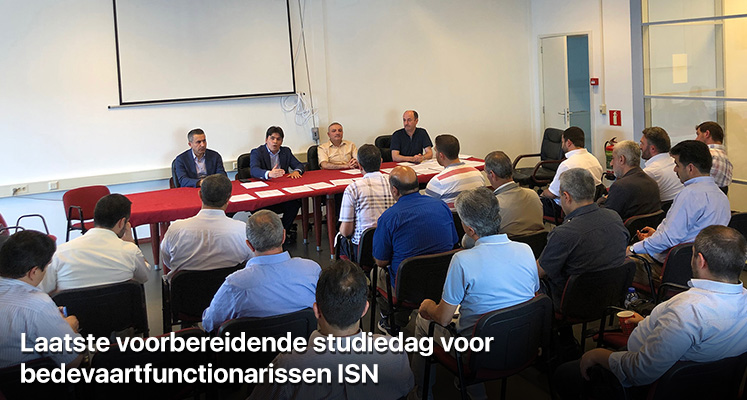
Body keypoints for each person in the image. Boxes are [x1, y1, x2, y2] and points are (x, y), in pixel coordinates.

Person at [555, 225, 747, 399]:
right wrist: (650, 322)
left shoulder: (686, 310)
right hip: (707, 387)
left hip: (652, 385)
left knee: (565, 374)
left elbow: (640, 371)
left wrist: (597, 355)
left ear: (701, 261)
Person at [411, 187, 540, 400]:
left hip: (477, 351)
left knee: (422, 319)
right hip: (522, 342)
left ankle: (421, 392)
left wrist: (427, 307)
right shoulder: (525, 249)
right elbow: (531, 294)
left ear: (470, 230)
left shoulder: (462, 260)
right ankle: (473, 389)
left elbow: (443, 319)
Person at [248, 260, 414, 400]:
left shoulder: (287, 367)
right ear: (365, 309)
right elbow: (405, 389)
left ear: (316, 311)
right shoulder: (394, 350)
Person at [627, 140, 731, 285]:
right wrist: (657, 234)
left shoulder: (689, 194)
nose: (675, 169)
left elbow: (669, 239)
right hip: (703, 270)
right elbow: (690, 233)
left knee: (620, 264)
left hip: (669, 267)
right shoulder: (722, 197)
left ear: (690, 168)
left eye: (677, 164)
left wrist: (632, 249)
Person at [201, 210, 320, 333]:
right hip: (301, 344)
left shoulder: (235, 285)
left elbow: (209, 323)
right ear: (283, 236)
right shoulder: (312, 271)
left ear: (249, 245)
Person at [373, 166, 458, 331]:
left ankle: (394, 321)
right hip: (443, 283)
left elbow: (381, 261)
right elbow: (454, 242)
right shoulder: (441, 206)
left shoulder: (389, 218)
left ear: (394, 190)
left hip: (406, 290)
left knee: (374, 274)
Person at [537, 168, 629, 306]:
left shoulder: (563, 234)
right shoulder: (614, 218)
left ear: (566, 197)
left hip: (572, 303)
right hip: (610, 298)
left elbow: (539, 272)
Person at [0, 231, 82, 368]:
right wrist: (70, 329)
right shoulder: (38, 305)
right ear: (34, 272)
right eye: (47, 266)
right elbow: (72, 362)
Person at [39, 194, 150, 293]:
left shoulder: (60, 253)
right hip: (120, 310)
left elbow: (44, 289)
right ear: (122, 223)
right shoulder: (130, 251)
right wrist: (131, 243)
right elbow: (143, 277)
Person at [160, 174, 253, 281]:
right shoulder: (242, 230)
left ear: (200, 195)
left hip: (185, 289)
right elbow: (250, 260)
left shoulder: (176, 229)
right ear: (228, 198)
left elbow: (167, 260)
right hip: (229, 288)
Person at [463, 151, 544, 249]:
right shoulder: (534, 195)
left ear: (492, 174)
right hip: (536, 250)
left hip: (503, 253)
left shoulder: (492, 206)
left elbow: (470, 241)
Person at [338, 145, 395, 260]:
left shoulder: (353, 189)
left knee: (341, 239)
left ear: (359, 166)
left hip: (363, 249)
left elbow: (346, 231)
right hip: (391, 244)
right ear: (381, 162)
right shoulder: (394, 183)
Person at [249, 126, 305, 235]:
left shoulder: (285, 151)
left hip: (282, 191)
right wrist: (268, 174)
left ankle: (283, 232)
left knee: (295, 203)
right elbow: (254, 170)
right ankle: (269, 235)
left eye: (278, 139)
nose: (275, 142)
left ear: (281, 141)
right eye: (272, 138)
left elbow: (299, 165)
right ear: (266, 139)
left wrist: (297, 171)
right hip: (265, 193)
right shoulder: (257, 152)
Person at [540, 127, 604, 219]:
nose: (562, 145)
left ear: (568, 143)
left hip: (563, 210)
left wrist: (542, 194)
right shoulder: (594, 160)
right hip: (588, 208)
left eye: (562, 142)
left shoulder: (567, 165)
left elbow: (552, 194)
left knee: (534, 202)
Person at [597, 140, 661, 221]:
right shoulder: (653, 183)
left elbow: (606, 218)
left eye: (613, 158)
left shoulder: (620, 187)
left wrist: (601, 200)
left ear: (621, 159)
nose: (611, 163)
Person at [424, 134, 488, 209]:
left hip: (449, 216)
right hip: (474, 215)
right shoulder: (478, 174)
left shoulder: (438, 182)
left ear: (441, 155)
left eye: (436, 151)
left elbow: (427, 208)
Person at [639, 126, 683, 205]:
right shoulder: (677, 163)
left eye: (642, 143)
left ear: (652, 149)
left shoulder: (650, 171)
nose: (640, 147)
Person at [695, 121, 733, 193]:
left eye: (698, 134)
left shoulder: (705, 155)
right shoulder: (726, 159)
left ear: (707, 134)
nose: (696, 139)